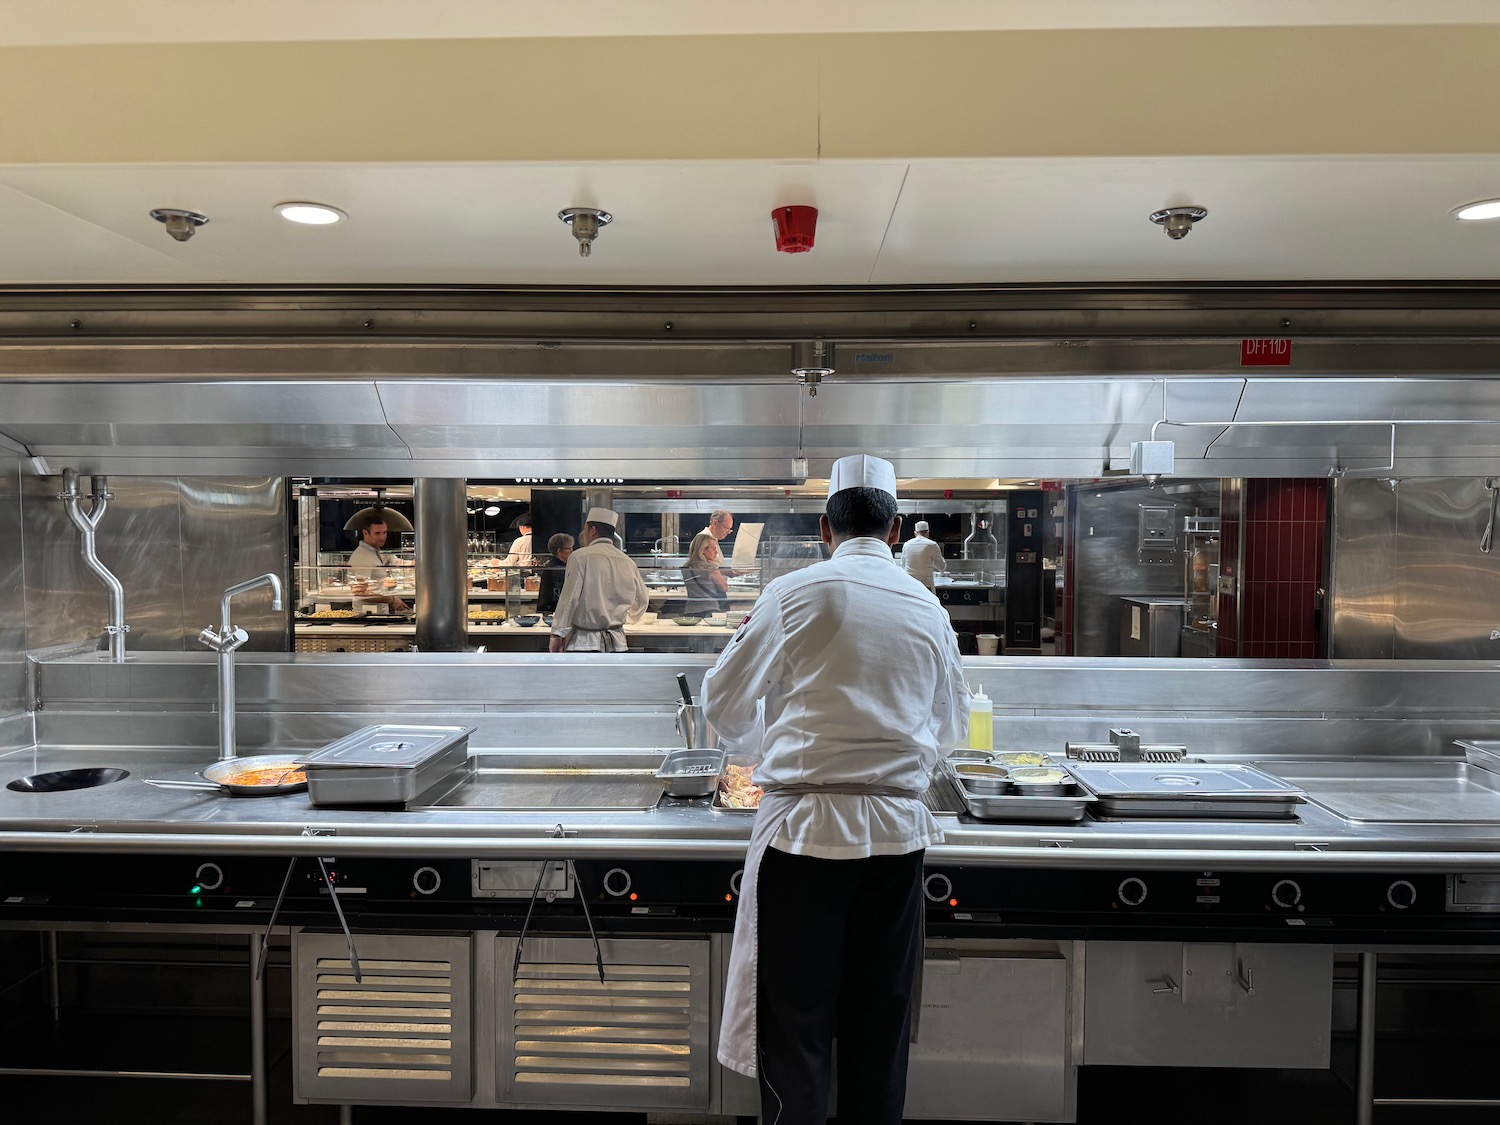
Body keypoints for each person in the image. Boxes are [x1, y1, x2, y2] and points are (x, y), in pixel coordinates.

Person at [702, 454, 969, 1125]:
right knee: (878, 1040)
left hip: (804, 842)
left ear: (825, 525)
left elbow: (723, 707)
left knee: (797, 1041)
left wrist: (777, 724)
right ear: (895, 526)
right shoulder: (928, 607)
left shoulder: (795, 593)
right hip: (898, 841)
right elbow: (953, 729)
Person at [548, 508, 649, 652]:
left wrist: (557, 634)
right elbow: (642, 600)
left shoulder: (579, 557)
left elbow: (569, 598)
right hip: (618, 644)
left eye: (585, 529)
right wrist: (628, 618)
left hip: (585, 644)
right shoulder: (627, 561)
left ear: (592, 530)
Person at [346, 518, 410, 612]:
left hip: (380, 614)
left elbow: (397, 562)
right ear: (365, 533)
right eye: (377, 533)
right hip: (366, 616)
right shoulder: (362, 556)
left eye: (384, 532)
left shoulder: (376, 551)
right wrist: (391, 600)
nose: (382, 537)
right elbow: (359, 592)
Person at [681, 532, 729, 616]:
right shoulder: (711, 568)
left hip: (689, 611)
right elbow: (724, 588)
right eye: (713, 549)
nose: (716, 552)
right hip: (709, 610)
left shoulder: (686, 568)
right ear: (703, 550)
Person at [687, 509, 735, 578]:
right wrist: (727, 572)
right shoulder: (703, 539)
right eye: (726, 528)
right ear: (715, 523)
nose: (728, 532)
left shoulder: (714, 539)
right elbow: (700, 568)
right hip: (708, 586)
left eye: (729, 529)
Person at [902, 519, 946, 591]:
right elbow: (941, 566)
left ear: (915, 533)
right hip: (926, 585)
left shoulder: (906, 544)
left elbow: (903, 563)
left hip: (910, 583)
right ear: (928, 533)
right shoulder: (932, 544)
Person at [535, 532, 574, 615]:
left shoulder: (562, 566)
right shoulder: (554, 569)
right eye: (569, 548)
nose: (572, 551)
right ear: (559, 551)